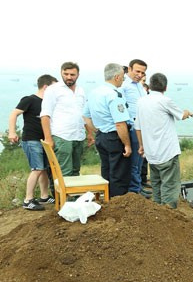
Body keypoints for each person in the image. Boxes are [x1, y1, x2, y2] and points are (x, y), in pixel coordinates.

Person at [135, 72, 193, 208]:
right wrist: (187, 112)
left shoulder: (141, 101)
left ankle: (157, 214)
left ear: (149, 86)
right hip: (167, 152)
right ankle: (168, 214)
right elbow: (181, 115)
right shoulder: (165, 101)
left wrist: (141, 145)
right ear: (165, 88)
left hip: (151, 153)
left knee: (156, 185)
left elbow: (137, 127)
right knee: (169, 186)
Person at [8, 74, 59, 210]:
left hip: (44, 141)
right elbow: (14, 114)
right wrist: (12, 132)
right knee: (37, 169)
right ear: (46, 87)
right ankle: (28, 200)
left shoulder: (48, 103)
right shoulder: (29, 100)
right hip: (31, 140)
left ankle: (44, 196)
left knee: (43, 170)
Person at [83, 63, 133, 198]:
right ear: (117, 77)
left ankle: (107, 201)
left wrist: (96, 130)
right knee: (119, 175)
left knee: (106, 172)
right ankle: (118, 205)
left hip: (101, 136)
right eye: (123, 77)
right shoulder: (114, 95)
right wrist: (127, 145)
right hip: (115, 138)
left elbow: (86, 116)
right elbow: (120, 124)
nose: (123, 80)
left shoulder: (94, 92)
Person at [40, 62, 89, 177]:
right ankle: (64, 196)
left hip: (79, 136)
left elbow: (83, 113)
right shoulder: (53, 90)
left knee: (76, 171)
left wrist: (90, 133)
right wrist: (48, 139)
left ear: (78, 75)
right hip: (62, 136)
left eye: (72, 74)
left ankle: (75, 195)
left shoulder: (80, 90)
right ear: (61, 73)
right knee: (64, 172)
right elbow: (45, 115)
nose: (69, 77)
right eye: (65, 74)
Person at [121, 59, 149, 197]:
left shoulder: (139, 86)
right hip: (132, 126)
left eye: (142, 72)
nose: (139, 75)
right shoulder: (124, 85)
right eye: (137, 71)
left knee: (140, 160)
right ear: (130, 69)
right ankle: (134, 190)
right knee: (134, 162)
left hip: (142, 126)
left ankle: (138, 187)